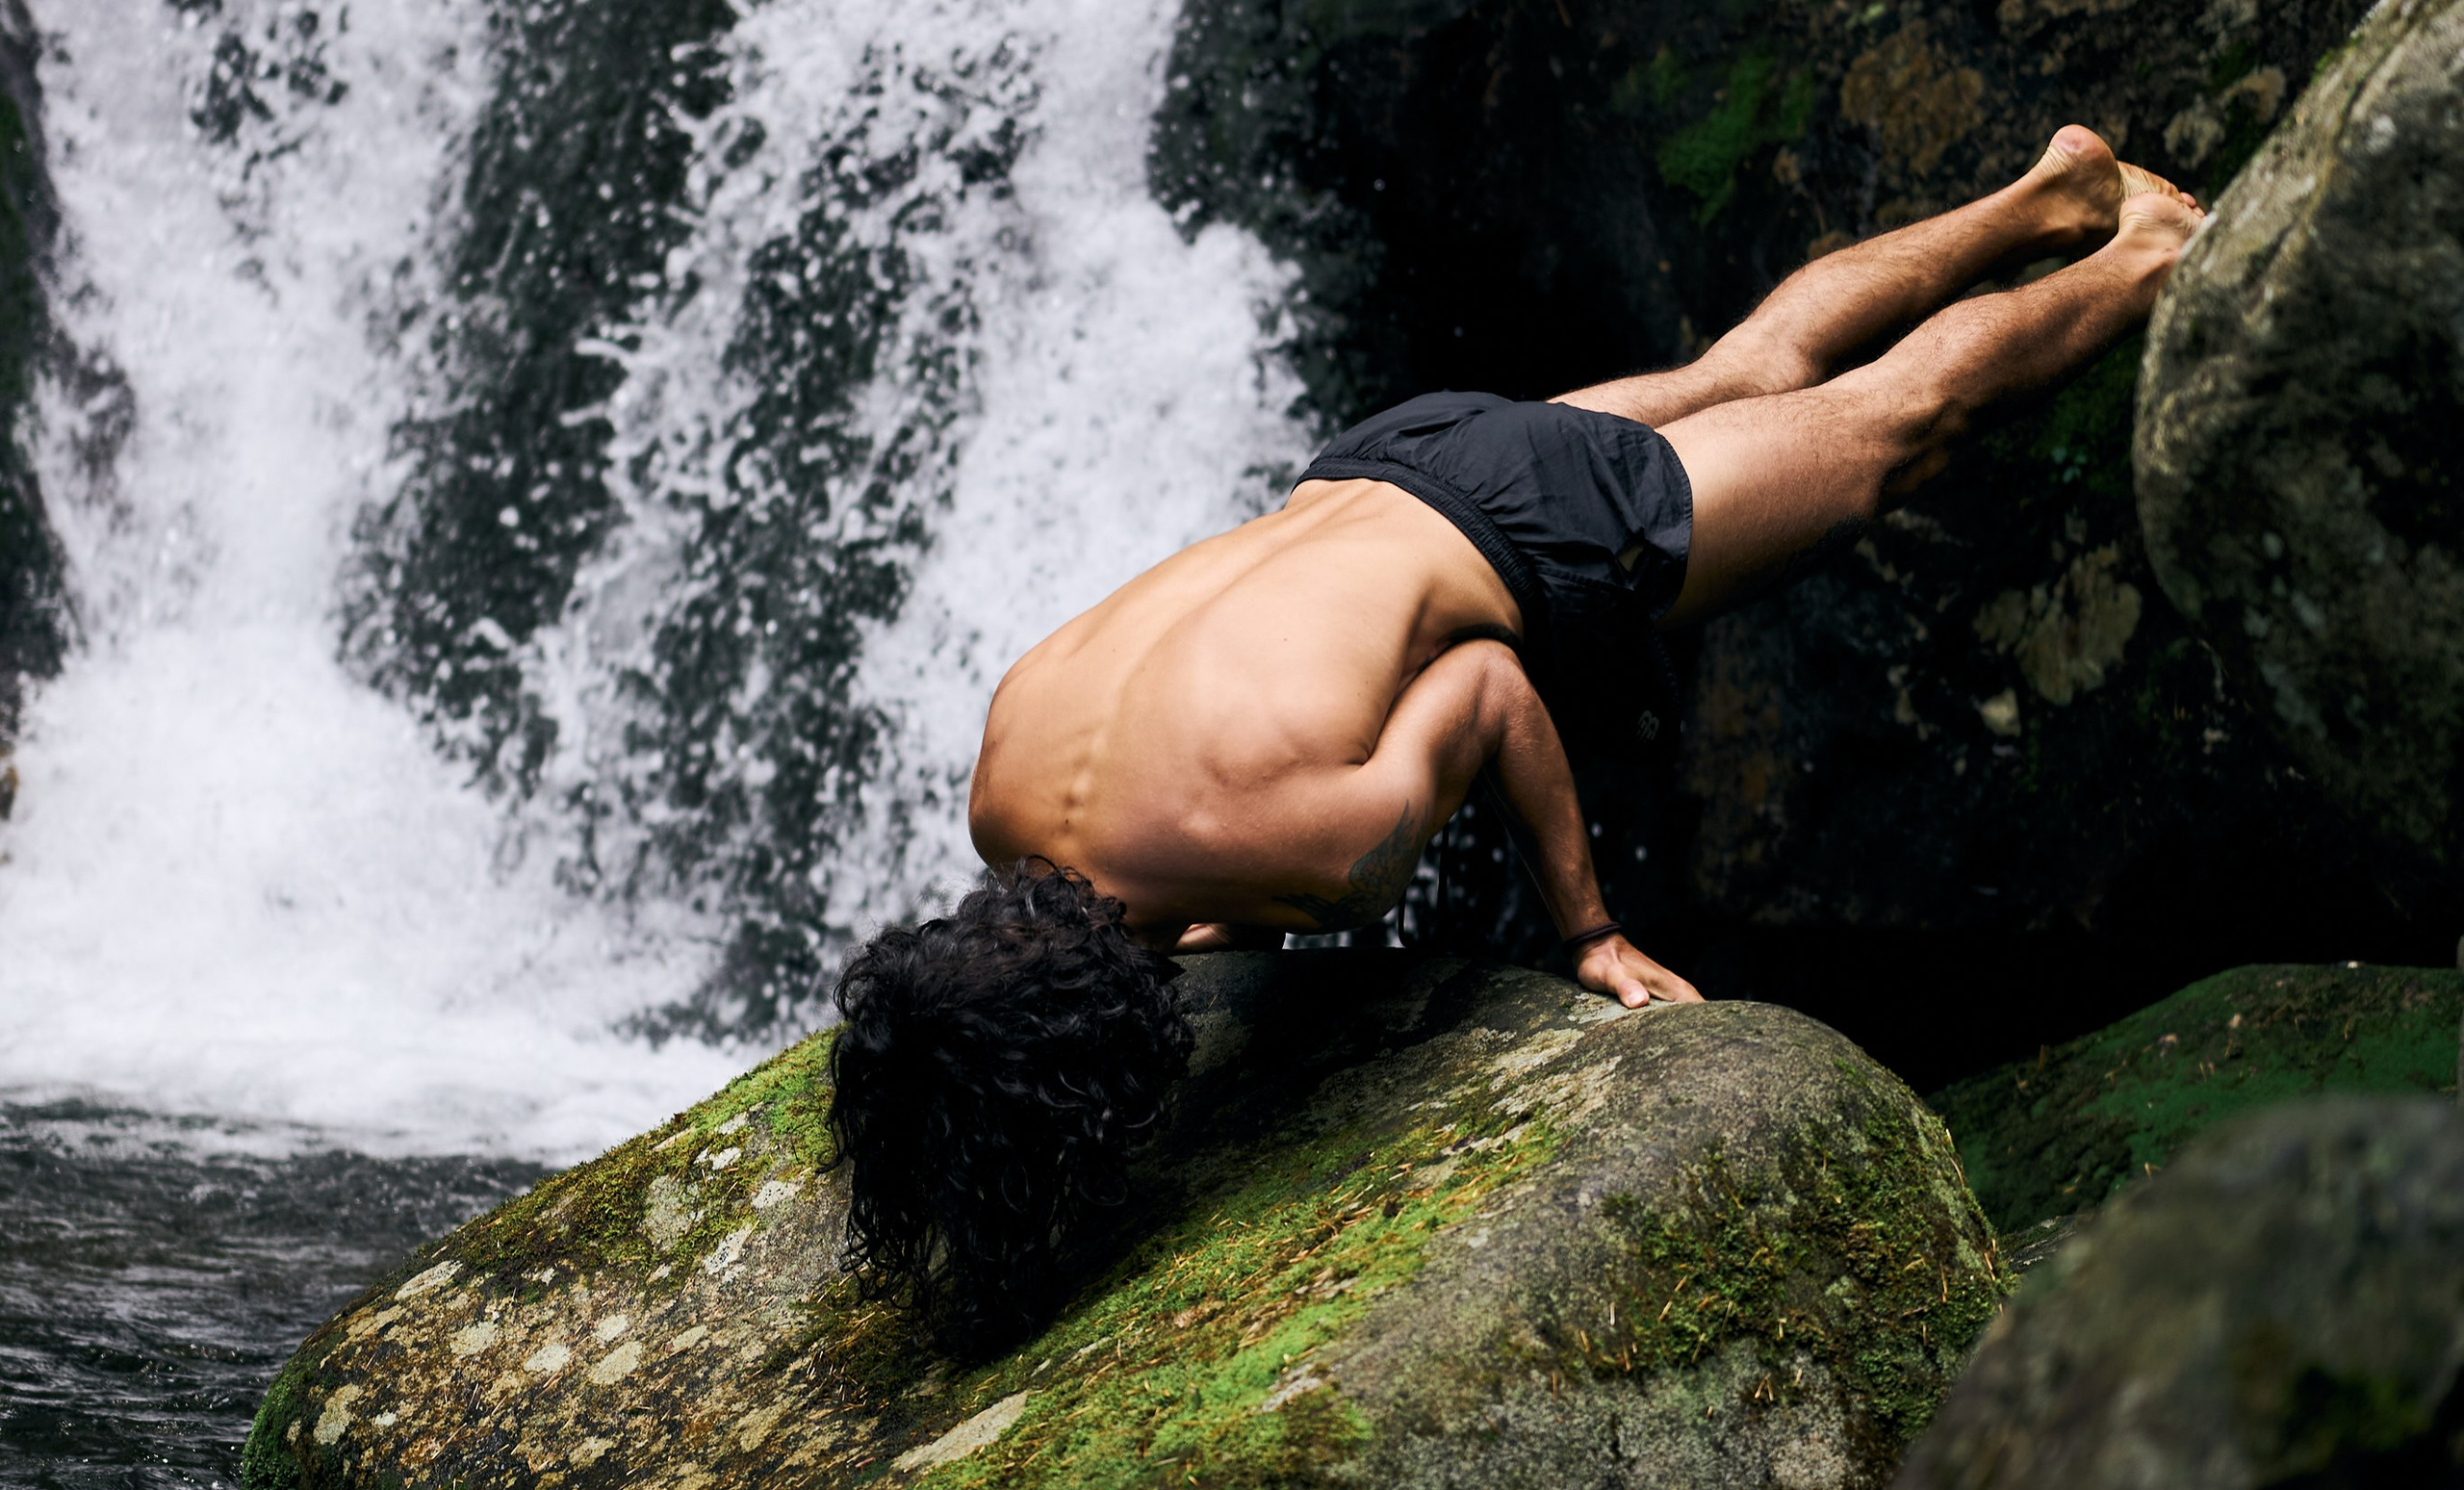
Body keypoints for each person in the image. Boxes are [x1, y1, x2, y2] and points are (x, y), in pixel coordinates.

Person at [833, 128, 2203, 1343]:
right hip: (1378, 466)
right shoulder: (1003, 793)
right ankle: (2051, 190)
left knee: (1890, 427)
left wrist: (1586, 933)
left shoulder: (1315, 850)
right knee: (1747, 368)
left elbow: (1488, 683)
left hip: (1532, 530)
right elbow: (1182, 850)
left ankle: (2146, 250)